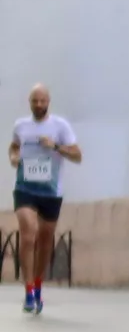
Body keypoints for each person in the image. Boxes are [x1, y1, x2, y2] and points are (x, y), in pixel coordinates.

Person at [11, 85, 81, 314]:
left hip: (51, 192)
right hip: (25, 188)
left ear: (48, 101)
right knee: (28, 232)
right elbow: (14, 145)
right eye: (35, 101)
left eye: (42, 101)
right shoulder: (20, 126)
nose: (38, 105)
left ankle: (38, 284)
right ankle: (28, 291)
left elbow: (77, 156)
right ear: (29, 101)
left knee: (44, 241)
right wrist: (13, 156)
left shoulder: (60, 126)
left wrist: (56, 146)